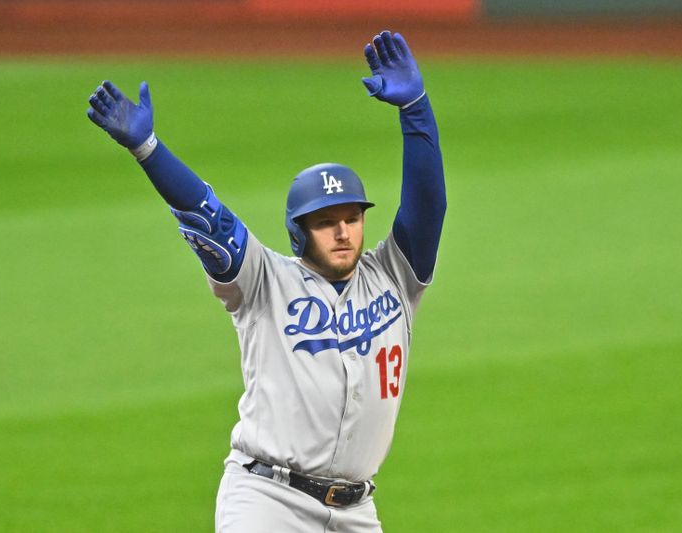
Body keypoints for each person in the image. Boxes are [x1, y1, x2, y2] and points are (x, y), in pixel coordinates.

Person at [87, 29, 445, 533]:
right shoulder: (262, 282)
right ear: (299, 234)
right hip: (267, 501)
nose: (343, 232)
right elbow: (206, 215)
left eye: (352, 217)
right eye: (325, 222)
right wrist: (148, 148)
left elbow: (428, 206)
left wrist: (417, 111)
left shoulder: (395, 278)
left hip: (356, 512)